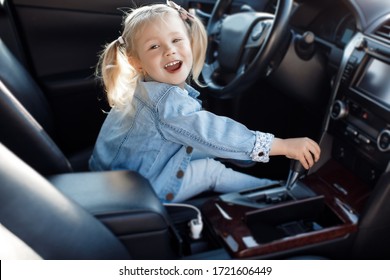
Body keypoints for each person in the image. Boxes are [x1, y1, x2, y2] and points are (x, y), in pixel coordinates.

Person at [89, 1, 321, 202]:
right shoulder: (169, 105)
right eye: (154, 46)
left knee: (210, 147)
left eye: (176, 40)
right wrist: (283, 146)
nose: (170, 51)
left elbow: (200, 133)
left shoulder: (139, 86)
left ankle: (239, 149)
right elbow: (213, 132)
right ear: (136, 61)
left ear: (189, 41)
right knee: (211, 170)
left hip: (113, 174)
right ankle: (276, 194)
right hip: (145, 190)